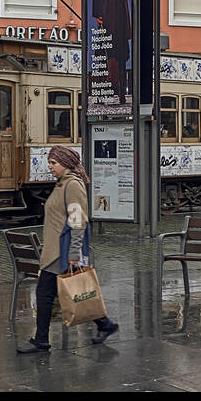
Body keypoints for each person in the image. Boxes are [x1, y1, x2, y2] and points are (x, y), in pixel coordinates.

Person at [18, 146, 118, 353]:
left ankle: (42, 341)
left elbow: (78, 220)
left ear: (65, 163)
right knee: (75, 290)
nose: (50, 167)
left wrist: (73, 254)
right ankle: (104, 324)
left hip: (61, 251)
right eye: (49, 163)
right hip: (55, 248)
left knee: (46, 293)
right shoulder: (62, 184)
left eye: (54, 163)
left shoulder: (72, 185)